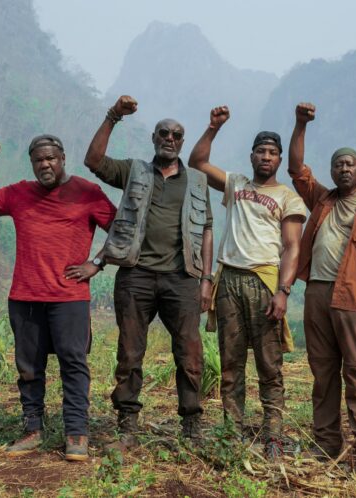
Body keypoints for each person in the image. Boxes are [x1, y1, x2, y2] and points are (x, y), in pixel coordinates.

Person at [0, 135, 116, 462]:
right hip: (25, 296)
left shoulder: (87, 192)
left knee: (73, 364)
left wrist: (97, 263)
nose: (45, 165)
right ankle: (32, 429)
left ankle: (76, 433)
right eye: (38, 160)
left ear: (63, 158)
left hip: (69, 297)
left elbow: (122, 228)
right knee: (29, 368)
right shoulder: (21, 192)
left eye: (51, 158)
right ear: (32, 163)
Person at [84, 95, 213, 450]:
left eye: (176, 135)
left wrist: (206, 280)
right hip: (136, 275)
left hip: (182, 278)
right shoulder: (134, 171)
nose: (169, 139)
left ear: (182, 142)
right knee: (129, 351)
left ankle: (192, 425)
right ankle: (127, 425)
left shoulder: (197, 182)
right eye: (163, 133)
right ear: (154, 139)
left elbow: (206, 232)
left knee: (189, 352)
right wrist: (113, 117)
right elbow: (93, 160)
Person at [188, 105, 305, 460]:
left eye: (272, 152)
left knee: (270, 364)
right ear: (251, 155)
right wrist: (212, 128)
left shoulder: (288, 196)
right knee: (231, 362)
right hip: (230, 282)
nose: (266, 157)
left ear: (280, 158)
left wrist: (283, 292)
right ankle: (232, 432)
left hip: (264, 281)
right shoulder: (236, 183)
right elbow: (197, 163)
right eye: (261, 151)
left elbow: (292, 247)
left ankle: (273, 435)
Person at [288, 103, 356, 472]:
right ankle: (326, 443)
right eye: (338, 164)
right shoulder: (321, 199)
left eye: (350, 164)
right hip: (317, 294)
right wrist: (300, 124)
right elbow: (296, 169)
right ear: (332, 171)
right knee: (323, 372)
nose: (344, 169)